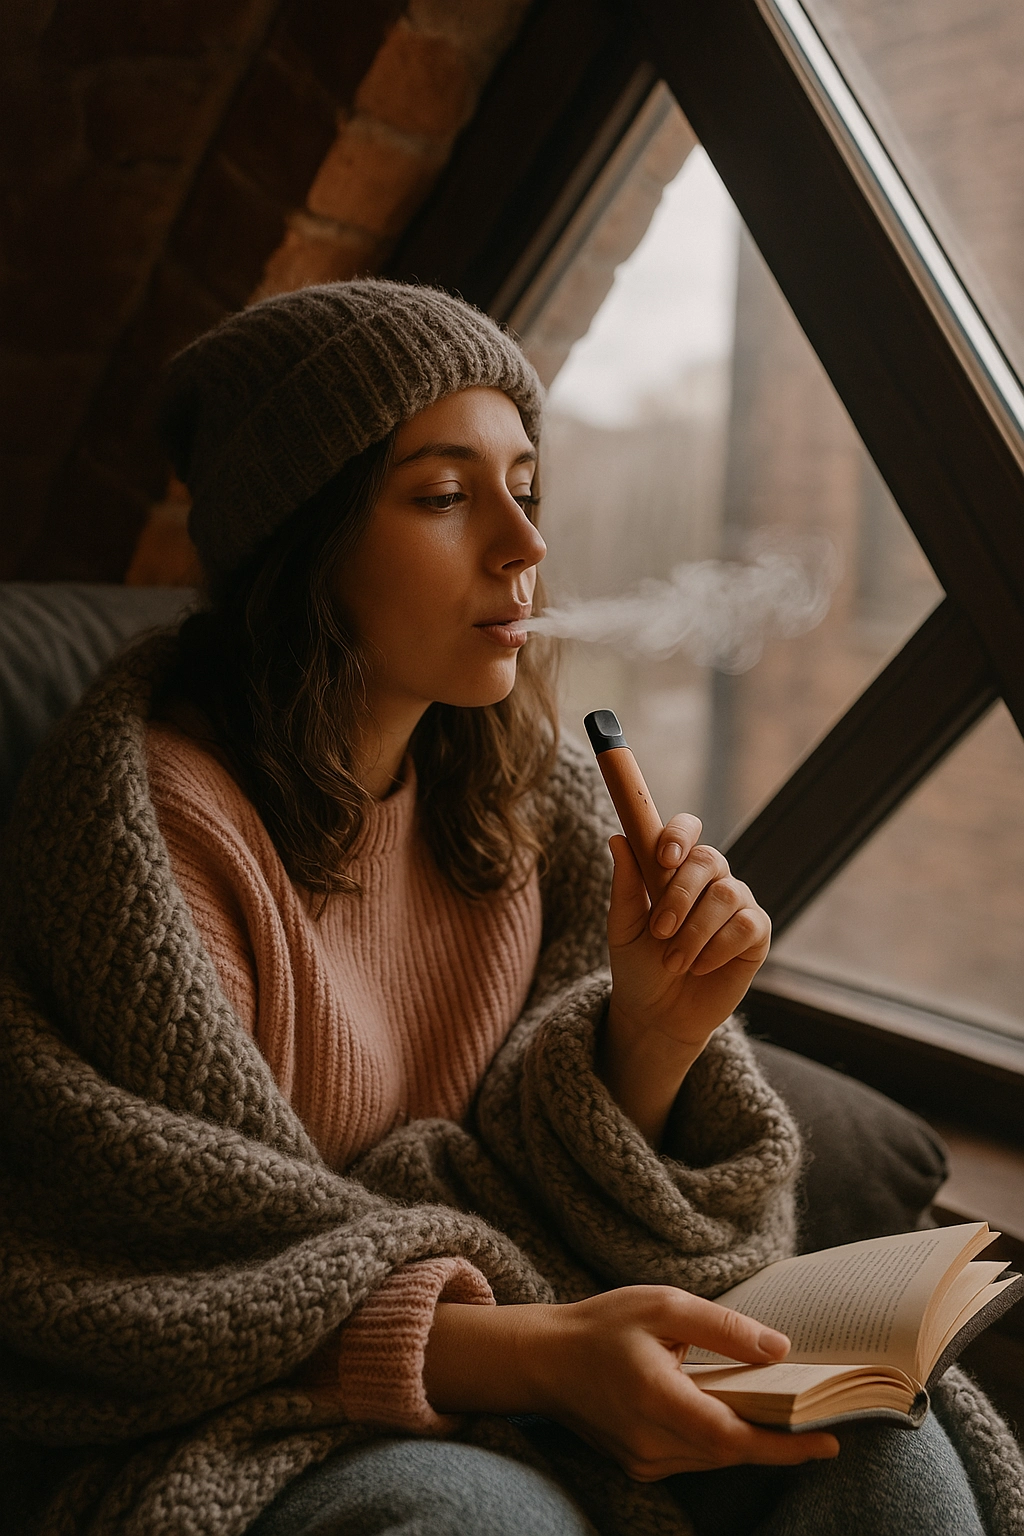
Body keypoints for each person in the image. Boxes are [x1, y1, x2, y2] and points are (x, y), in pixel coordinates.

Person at [0, 281, 1018, 1536]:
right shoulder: (147, 836)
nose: (523, 546)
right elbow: (153, 1286)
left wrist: (652, 1032)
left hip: (546, 1354)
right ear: (302, 539)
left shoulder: (521, 807)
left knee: (890, 1460)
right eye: (442, 495)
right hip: (262, 1414)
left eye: (524, 490)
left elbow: (559, 1180)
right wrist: (542, 1357)